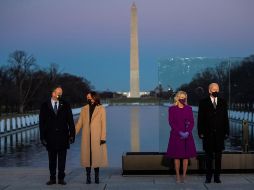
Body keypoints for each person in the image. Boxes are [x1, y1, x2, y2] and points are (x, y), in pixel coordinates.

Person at [39, 86, 75, 185]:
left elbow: (70, 121)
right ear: (53, 93)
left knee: (62, 160)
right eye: (59, 93)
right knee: (52, 160)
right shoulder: (45, 105)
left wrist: (72, 135)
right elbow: (41, 122)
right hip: (50, 137)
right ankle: (52, 178)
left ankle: (61, 178)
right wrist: (42, 137)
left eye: (61, 93)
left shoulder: (66, 104)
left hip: (63, 137)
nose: (60, 95)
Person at [198, 83, 229, 183]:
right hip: (208, 134)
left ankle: (217, 177)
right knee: (209, 158)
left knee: (218, 157)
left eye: (217, 89)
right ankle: (208, 177)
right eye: (214, 89)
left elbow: (225, 118)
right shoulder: (203, 102)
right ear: (209, 90)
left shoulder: (223, 102)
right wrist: (200, 132)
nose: (216, 91)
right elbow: (200, 119)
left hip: (220, 135)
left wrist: (227, 131)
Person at [75, 91, 108, 184]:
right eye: (87, 97)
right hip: (86, 137)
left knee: (96, 158)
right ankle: (88, 177)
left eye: (89, 97)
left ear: (94, 97)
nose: (88, 98)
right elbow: (79, 124)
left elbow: (103, 124)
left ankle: (97, 176)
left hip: (97, 137)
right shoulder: (84, 109)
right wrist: (72, 134)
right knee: (87, 158)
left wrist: (103, 137)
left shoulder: (101, 109)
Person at [166, 91, 196, 183]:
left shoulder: (189, 108)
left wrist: (187, 132)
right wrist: (179, 132)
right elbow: (171, 122)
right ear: (177, 97)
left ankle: (184, 176)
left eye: (184, 97)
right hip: (176, 135)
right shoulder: (172, 109)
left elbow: (192, 122)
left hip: (187, 135)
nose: (183, 99)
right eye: (181, 97)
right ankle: (178, 176)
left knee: (186, 157)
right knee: (177, 157)